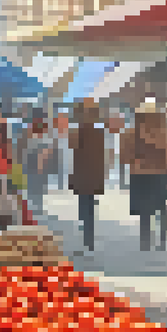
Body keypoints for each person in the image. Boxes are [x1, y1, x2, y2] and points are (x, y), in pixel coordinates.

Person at [123, 99, 167, 251]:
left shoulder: (133, 131)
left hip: (141, 173)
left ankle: (145, 241)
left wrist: (135, 162)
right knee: (162, 205)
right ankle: (162, 239)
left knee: (145, 210)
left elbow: (125, 154)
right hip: (161, 172)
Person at [69, 100, 108, 251]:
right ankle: (88, 239)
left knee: (85, 207)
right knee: (88, 206)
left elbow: (72, 146)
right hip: (91, 174)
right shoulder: (98, 133)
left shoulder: (79, 131)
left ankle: (88, 239)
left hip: (84, 174)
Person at [20, 117, 56, 213]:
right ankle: (36, 207)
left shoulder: (32, 140)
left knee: (32, 189)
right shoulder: (45, 140)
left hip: (32, 168)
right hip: (39, 168)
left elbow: (27, 154)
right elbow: (45, 154)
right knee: (38, 190)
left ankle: (33, 208)